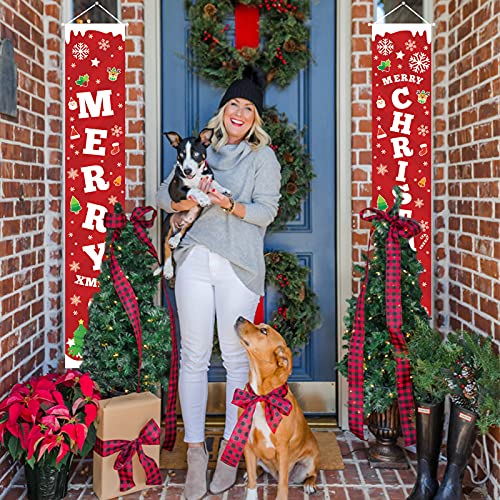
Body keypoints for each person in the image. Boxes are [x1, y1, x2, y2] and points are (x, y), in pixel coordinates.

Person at [156, 66, 281, 499]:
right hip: (193, 261)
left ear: (255, 118)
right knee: (192, 355)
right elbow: (161, 195)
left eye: (248, 107)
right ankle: (195, 452)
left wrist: (227, 203)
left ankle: (230, 451)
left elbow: (266, 212)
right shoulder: (197, 148)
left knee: (234, 359)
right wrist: (187, 199)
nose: (240, 113)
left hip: (239, 266)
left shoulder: (262, 158)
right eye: (234, 104)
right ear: (223, 109)